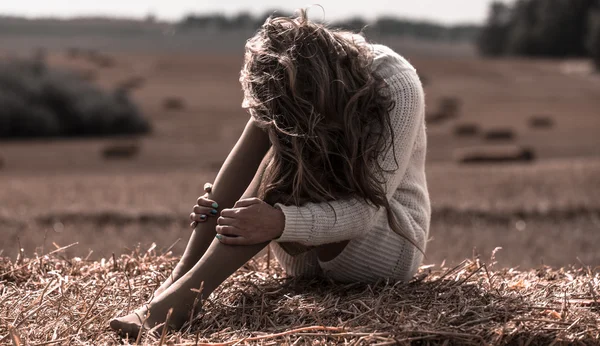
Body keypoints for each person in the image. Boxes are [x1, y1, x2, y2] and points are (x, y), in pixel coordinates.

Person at [110, 9, 430, 338]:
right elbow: (240, 169)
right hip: (304, 256)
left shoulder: (394, 84)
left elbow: (366, 210)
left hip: (384, 244)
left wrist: (279, 222)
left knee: (281, 173)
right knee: (280, 158)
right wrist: (217, 209)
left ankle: (176, 306)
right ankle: (176, 286)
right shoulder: (286, 76)